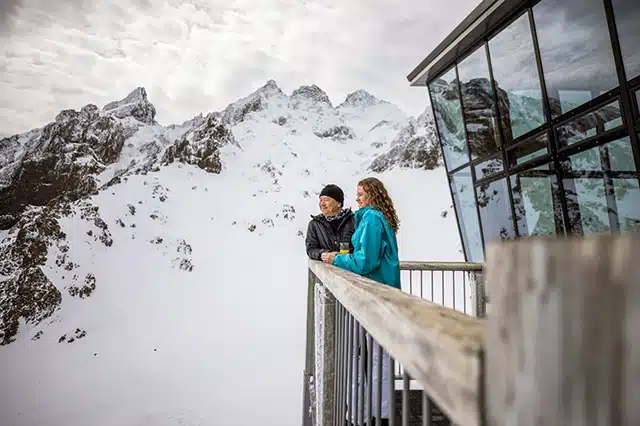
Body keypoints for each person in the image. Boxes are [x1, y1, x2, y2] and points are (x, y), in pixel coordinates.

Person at [322, 177, 400, 426]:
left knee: (358, 355)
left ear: (373, 195)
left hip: (370, 295)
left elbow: (365, 261)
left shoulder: (371, 219)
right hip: (383, 293)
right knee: (380, 355)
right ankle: (380, 414)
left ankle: (362, 415)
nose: (357, 198)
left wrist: (335, 259)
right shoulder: (377, 218)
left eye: (361, 194)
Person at [305, 184, 355, 261]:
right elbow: (311, 248)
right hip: (327, 271)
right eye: (321, 200)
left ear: (339, 203)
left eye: (327, 200)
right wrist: (323, 254)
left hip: (350, 270)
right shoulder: (314, 224)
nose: (322, 204)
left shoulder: (353, 220)